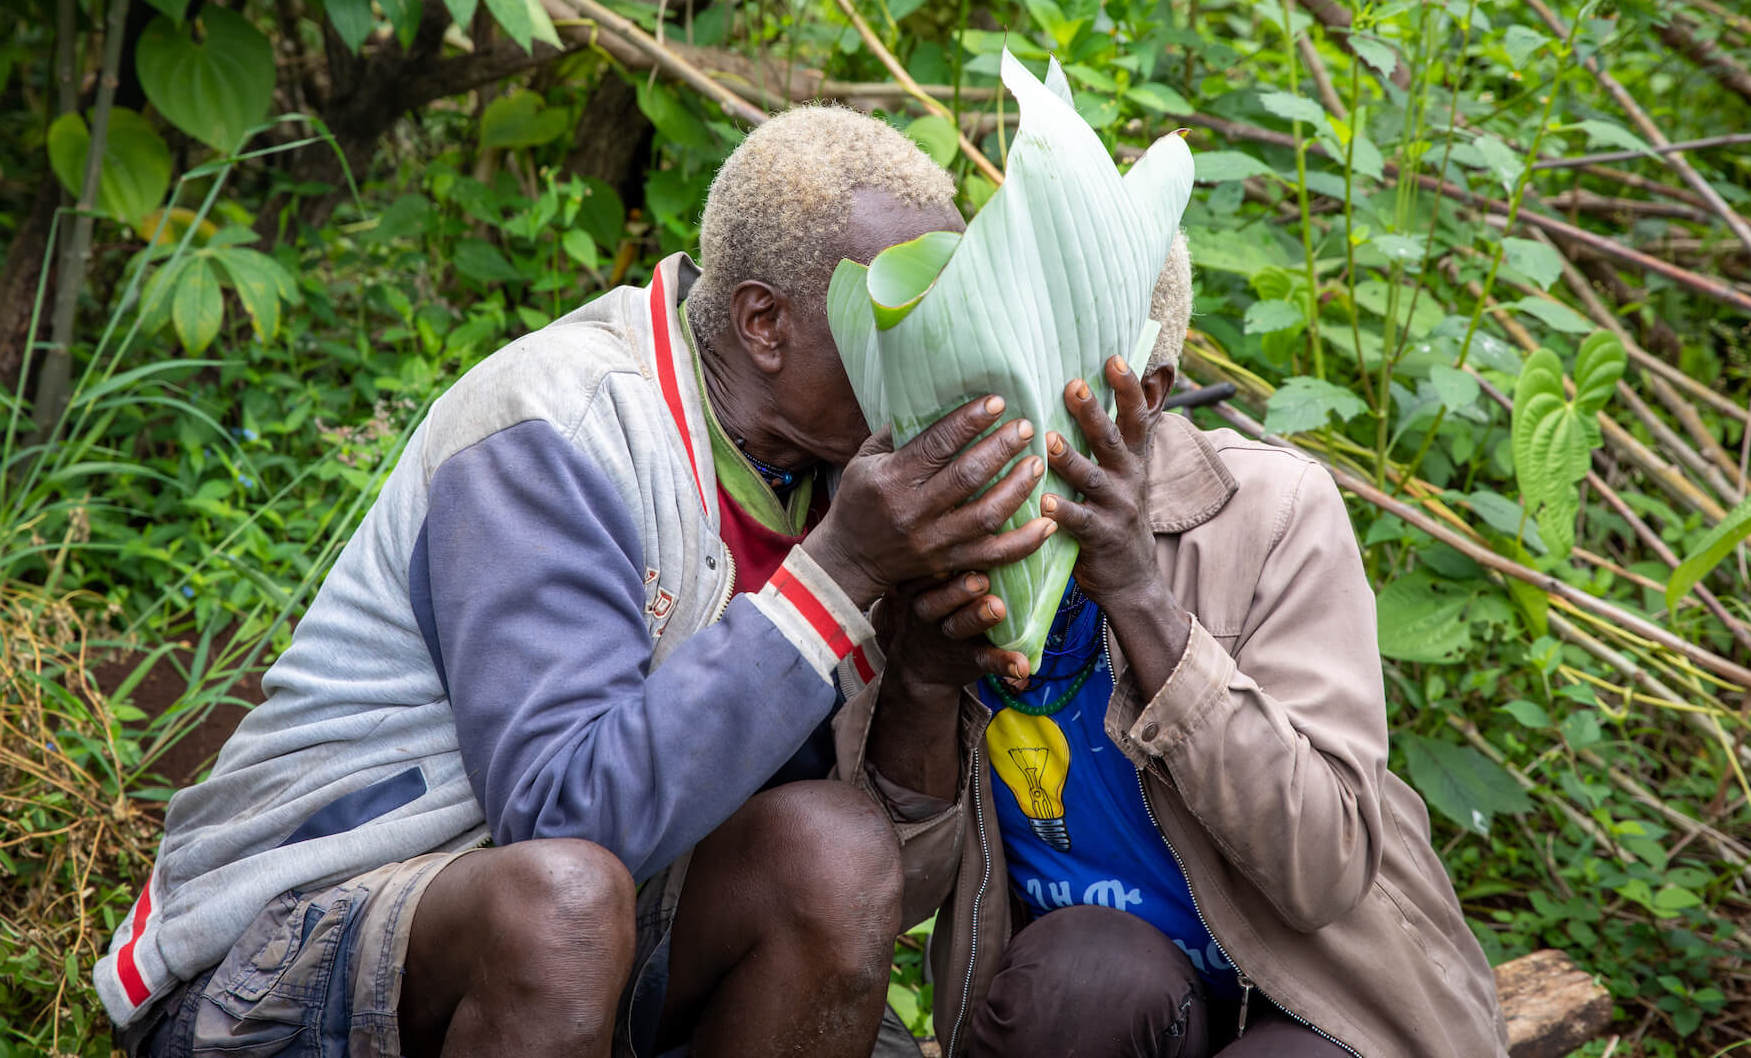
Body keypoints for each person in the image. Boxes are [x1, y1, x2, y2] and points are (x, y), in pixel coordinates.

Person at [94, 106, 1057, 1058]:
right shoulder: (555, 424)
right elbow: (564, 819)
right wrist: (842, 569)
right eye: (901, 317)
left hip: (590, 942)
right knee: (562, 904)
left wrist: (924, 681)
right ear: (763, 321)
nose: (941, 353)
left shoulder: (840, 475)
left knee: (833, 851)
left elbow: (881, 891)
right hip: (276, 957)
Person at [845, 235, 1513, 1057]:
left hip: (1328, 1004)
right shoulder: (926, 529)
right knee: (1082, 978)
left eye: (1043, 379)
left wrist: (1136, 595)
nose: (1004, 417)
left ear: (1148, 394)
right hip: (1109, 1004)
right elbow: (892, 896)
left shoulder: (1272, 513)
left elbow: (1323, 865)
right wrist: (919, 678)